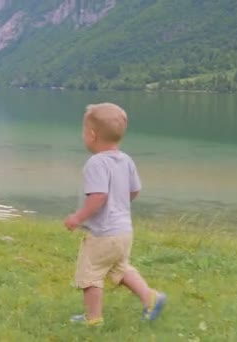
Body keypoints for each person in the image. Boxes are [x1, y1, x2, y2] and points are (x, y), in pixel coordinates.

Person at [64, 102, 166, 326]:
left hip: (103, 233)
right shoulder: (125, 160)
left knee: (91, 274)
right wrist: (119, 204)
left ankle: (93, 319)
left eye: (84, 131)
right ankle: (150, 297)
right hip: (124, 231)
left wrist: (78, 217)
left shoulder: (96, 163)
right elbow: (135, 190)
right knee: (119, 269)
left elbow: (98, 197)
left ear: (91, 134)